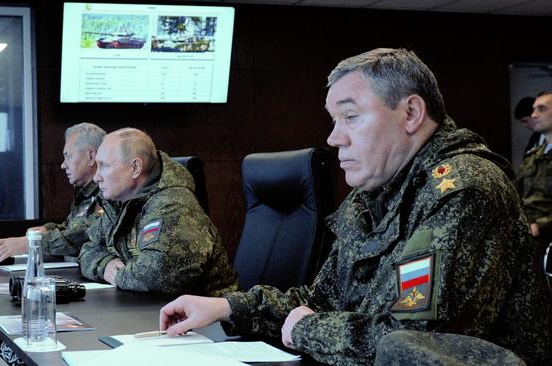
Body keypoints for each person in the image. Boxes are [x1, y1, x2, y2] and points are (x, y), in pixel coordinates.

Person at [159, 48, 552, 365]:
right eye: (334, 120)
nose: (334, 138)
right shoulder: (375, 193)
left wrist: (307, 331)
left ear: (411, 113)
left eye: (350, 117)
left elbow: (412, 345)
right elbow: (321, 300)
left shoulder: (463, 190)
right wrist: (229, 306)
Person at [78, 128, 238, 296]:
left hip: (210, 317)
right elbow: (88, 247)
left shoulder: (174, 205)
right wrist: (105, 264)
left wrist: (117, 275)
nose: (96, 177)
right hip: (154, 310)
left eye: (103, 166)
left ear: (135, 168)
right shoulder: (119, 202)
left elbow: (158, 274)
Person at [0, 122, 106, 261]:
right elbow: (72, 228)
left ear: (91, 157)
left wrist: (33, 242)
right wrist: (47, 229)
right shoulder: (83, 192)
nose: (62, 165)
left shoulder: (109, 192)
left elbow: (88, 233)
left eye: (68, 156)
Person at [515, 92, 552, 241]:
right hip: (527, 237)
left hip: (545, 236)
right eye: (533, 109)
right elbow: (516, 195)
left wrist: (540, 227)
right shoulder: (533, 156)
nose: (534, 115)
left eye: (541, 109)